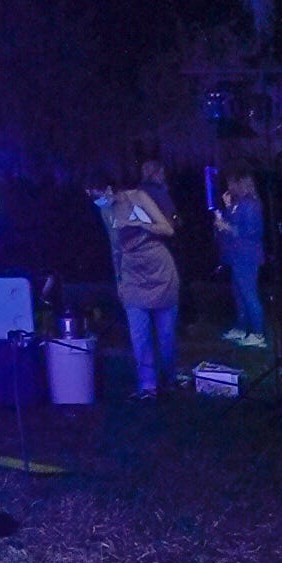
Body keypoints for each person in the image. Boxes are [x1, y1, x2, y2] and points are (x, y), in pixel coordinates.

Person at [94, 156, 180, 398]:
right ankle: (147, 385)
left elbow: (167, 229)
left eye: (97, 193)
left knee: (166, 337)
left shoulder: (138, 198)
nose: (96, 199)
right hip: (132, 272)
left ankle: (170, 377)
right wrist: (119, 280)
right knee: (139, 336)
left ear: (109, 188)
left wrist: (141, 224)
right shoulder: (105, 211)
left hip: (159, 268)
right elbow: (115, 248)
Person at [214, 166, 269, 347]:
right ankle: (241, 328)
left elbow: (252, 231)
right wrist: (226, 209)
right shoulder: (237, 203)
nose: (228, 186)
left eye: (231, 182)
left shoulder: (251, 204)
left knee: (249, 294)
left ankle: (258, 334)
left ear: (240, 183)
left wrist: (226, 227)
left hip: (247, 256)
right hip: (236, 256)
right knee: (238, 293)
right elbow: (231, 223)